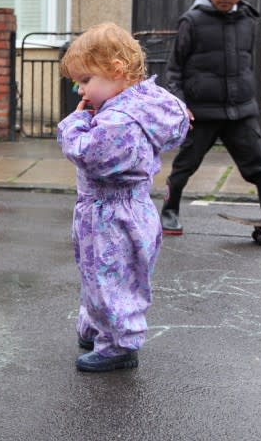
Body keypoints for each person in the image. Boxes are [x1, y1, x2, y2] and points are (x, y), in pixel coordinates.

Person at [57, 22, 190, 372]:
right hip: (112, 209)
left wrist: (74, 122)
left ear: (115, 71)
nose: (81, 91)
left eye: (86, 81)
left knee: (111, 279)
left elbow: (89, 154)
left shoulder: (120, 119)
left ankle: (119, 344)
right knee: (98, 274)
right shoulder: (140, 103)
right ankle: (99, 328)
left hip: (112, 214)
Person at [160, 0, 261, 242]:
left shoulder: (248, 20)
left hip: (240, 112)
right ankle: (169, 211)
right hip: (202, 112)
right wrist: (182, 106)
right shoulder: (192, 21)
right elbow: (173, 70)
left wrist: (252, 99)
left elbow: (249, 64)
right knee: (185, 166)